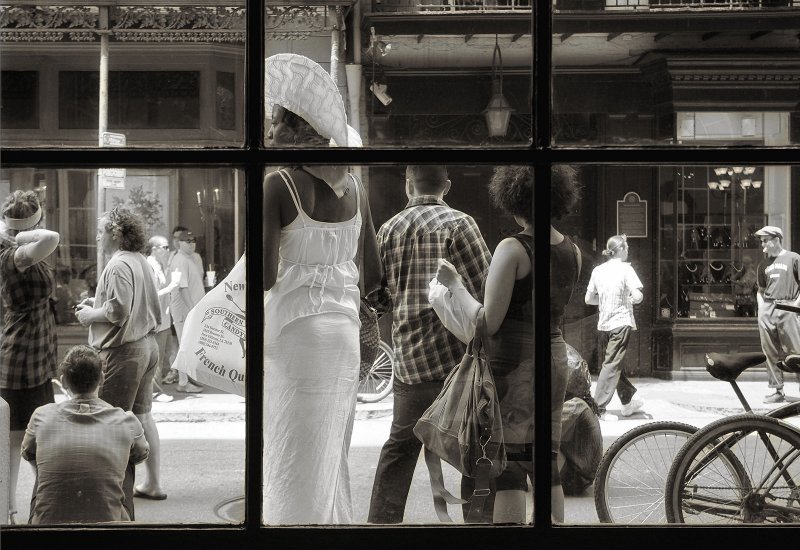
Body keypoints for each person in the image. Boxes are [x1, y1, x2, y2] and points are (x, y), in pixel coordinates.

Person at [262, 52, 381, 524]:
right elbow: (372, 272)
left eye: (275, 123)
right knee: (331, 445)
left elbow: (266, 277)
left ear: (296, 130)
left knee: (291, 439)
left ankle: (288, 527)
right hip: (343, 335)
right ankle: (330, 526)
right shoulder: (356, 189)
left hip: (296, 334)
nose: (269, 133)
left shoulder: (278, 184)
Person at [435, 165, 581, 523]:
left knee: (509, 465)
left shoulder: (513, 248)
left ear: (514, 199)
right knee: (545, 459)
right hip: (554, 357)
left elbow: (487, 321)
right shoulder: (572, 251)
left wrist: (454, 284)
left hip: (514, 366)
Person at [366, 165, 491, 524]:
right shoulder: (460, 224)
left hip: (410, 366)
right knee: (474, 448)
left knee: (399, 451)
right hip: (458, 365)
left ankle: (380, 525)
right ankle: (478, 526)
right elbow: (485, 285)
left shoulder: (389, 230)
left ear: (408, 184)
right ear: (446, 186)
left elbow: (377, 297)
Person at [74, 206, 162, 518]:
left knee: (113, 425)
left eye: (100, 232)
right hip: (147, 346)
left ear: (115, 233)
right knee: (138, 418)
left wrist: (88, 314)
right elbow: (122, 305)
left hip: (125, 352)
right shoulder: (139, 261)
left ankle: (117, 507)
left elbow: (118, 311)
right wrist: (96, 304)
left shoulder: (117, 264)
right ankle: (140, 494)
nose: (97, 238)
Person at [21, 345, 150, 524]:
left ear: (64, 381)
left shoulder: (41, 415)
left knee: (41, 459)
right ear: (102, 378)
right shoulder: (126, 420)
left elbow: (27, 452)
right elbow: (142, 454)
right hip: (109, 524)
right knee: (128, 459)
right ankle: (121, 523)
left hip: (46, 527)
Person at [0, 190, 60, 525]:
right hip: (21, 358)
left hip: (35, 358)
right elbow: (52, 236)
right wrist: (22, 229)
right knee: (16, 445)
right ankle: (9, 513)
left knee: (35, 442)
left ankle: (39, 507)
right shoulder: (16, 254)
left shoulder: (15, 249)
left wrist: (12, 228)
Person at [133, 235, 181, 500]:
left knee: (141, 413)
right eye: (163, 247)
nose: (167, 250)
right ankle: (150, 482)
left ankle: (150, 482)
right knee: (142, 414)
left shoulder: (160, 266)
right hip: (154, 326)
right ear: (153, 249)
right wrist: (172, 285)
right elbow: (151, 296)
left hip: (158, 325)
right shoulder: (149, 265)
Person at [585, 234, 645, 421]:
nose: (628, 250)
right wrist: (633, 298)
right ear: (620, 250)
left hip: (604, 323)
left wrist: (604, 301)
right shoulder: (626, 270)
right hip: (620, 322)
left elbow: (588, 299)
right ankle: (598, 408)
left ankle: (627, 402)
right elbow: (637, 296)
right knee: (611, 364)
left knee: (612, 363)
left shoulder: (598, 270)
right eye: (626, 247)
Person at [755, 225, 800, 404]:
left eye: (766, 240)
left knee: (796, 352)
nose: (763, 244)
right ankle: (777, 390)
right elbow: (760, 290)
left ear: (776, 239)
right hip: (767, 308)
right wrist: (761, 310)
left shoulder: (794, 258)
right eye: (761, 241)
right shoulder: (763, 264)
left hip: (788, 307)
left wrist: (797, 304)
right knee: (770, 351)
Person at [167, 229, 205, 393]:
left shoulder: (190, 259)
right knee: (184, 346)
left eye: (193, 240)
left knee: (188, 345)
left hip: (190, 311)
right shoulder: (180, 260)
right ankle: (183, 383)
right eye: (187, 241)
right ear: (179, 243)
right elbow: (182, 288)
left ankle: (188, 379)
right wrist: (192, 310)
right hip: (184, 312)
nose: (191, 244)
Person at [732, 253, 758, 317]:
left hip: (747, 300)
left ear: (746, 263)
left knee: (746, 315)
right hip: (742, 299)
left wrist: (736, 282)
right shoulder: (744, 272)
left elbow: (746, 283)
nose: (742, 265)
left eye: (743, 263)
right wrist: (739, 272)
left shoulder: (751, 273)